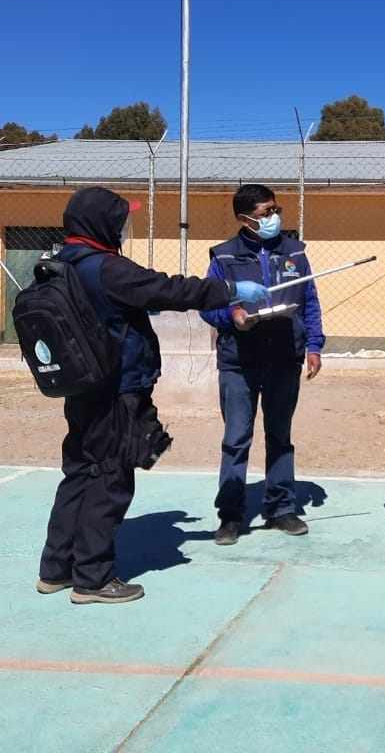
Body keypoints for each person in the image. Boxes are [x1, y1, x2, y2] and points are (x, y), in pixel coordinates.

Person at [38, 186, 269, 604]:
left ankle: (56, 569)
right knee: (110, 478)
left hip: (83, 388)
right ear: (101, 223)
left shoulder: (61, 262)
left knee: (80, 472)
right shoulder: (106, 268)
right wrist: (231, 290)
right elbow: (168, 289)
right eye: (120, 218)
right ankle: (93, 577)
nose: (124, 225)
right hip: (117, 389)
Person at [201, 184, 325, 544]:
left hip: (285, 357)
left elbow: (310, 300)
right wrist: (234, 314)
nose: (274, 218)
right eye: (265, 213)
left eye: (275, 210)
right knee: (236, 438)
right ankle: (230, 515)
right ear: (244, 219)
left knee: (280, 436)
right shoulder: (224, 257)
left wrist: (314, 345)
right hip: (239, 362)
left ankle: (282, 508)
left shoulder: (295, 252)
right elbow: (209, 304)